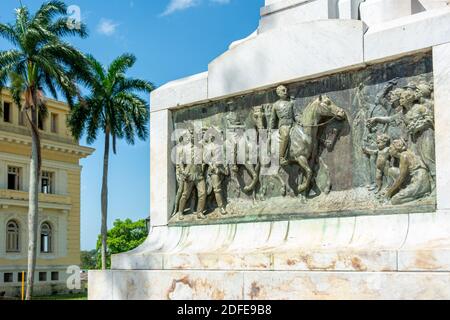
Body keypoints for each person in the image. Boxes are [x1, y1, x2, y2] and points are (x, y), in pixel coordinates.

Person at [386, 139, 431, 205]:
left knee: (395, 200)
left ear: (396, 149)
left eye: (390, 148)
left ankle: (421, 196)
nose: (389, 150)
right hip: (415, 178)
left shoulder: (404, 156)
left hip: (419, 182)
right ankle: (408, 191)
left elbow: (401, 178)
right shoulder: (407, 153)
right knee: (391, 170)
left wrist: (389, 192)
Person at [269, 85, 295, 166]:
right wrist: (270, 130)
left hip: (292, 124)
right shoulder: (275, 105)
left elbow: (296, 115)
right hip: (283, 126)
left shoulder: (291, 103)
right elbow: (272, 119)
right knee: (285, 134)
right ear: (278, 93)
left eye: (286, 90)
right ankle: (281, 158)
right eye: (283, 90)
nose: (285, 92)